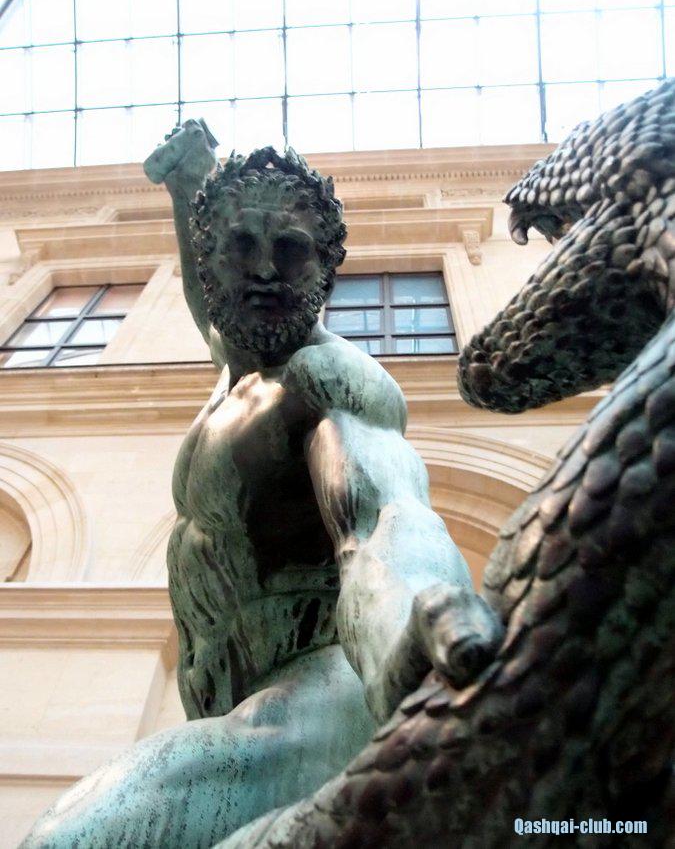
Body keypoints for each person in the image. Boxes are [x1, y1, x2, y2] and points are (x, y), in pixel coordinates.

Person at [22, 121, 501, 848]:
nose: (266, 272)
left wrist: (404, 644)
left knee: (70, 838)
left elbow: (381, 521)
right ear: (211, 258)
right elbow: (207, 305)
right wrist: (189, 183)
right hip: (248, 701)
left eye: (291, 251)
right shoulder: (236, 365)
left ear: (326, 272)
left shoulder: (326, 381)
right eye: (241, 247)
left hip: (329, 694)